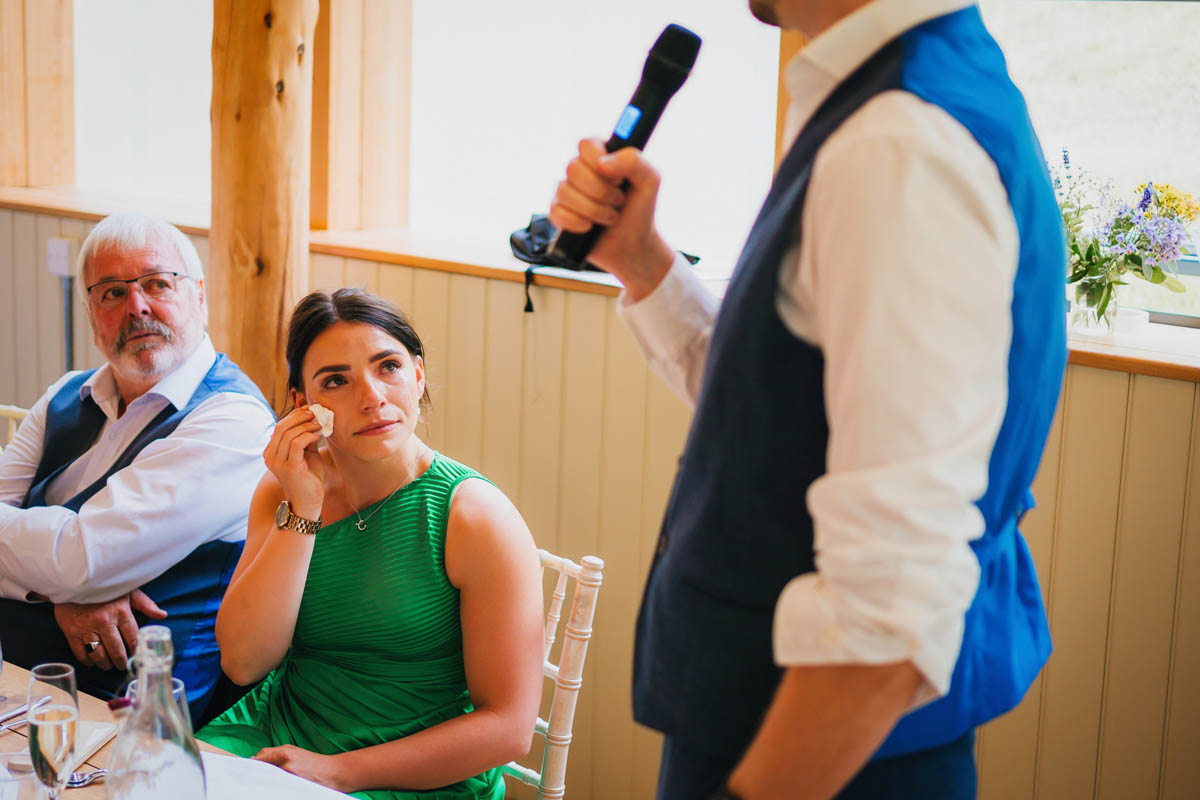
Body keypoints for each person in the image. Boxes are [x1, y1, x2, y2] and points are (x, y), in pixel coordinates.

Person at [547, 1, 1066, 798]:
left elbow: (891, 607)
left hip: (815, 756)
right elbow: (787, 414)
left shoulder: (896, 143)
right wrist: (644, 261)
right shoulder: (913, 95)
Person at [197, 289, 544, 800]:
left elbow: (509, 728)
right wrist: (304, 508)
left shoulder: (475, 517)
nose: (371, 396)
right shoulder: (283, 490)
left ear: (418, 374)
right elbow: (243, 661)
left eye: (389, 367)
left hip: (414, 771)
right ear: (302, 404)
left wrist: (339, 772)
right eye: (336, 380)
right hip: (276, 737)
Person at [0, 213, 274, 719]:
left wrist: (72, 577)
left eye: (157, 284)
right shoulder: (65, 393)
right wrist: (58, 593)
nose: (137, 306)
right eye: (111, 293)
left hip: (135, 714)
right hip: (20, 680)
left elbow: (81, 560)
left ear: (199, 297)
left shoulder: (233, 421)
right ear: (89, 311)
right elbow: (75, 570)